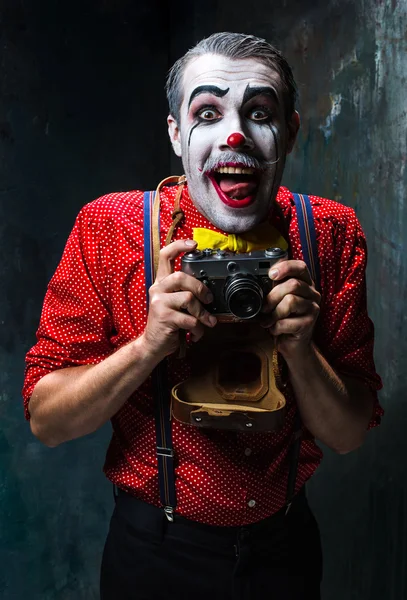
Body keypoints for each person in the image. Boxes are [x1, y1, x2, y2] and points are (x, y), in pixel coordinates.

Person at [23, 32, 383, 600]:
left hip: (284, 549)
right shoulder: (111, 228)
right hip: (155, 552)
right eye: (207, 112)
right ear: (174, 134)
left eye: (258, 112)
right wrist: (148, 344)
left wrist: (300, 349)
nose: (234, 134)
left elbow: (348, 434)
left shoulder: (330, 235)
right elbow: (46, 421)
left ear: (288, 132)